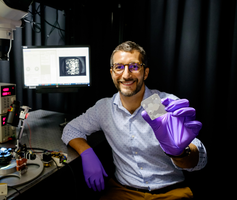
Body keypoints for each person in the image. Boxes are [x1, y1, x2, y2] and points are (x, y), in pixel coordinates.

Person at [61, 41, 207, 200]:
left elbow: (199, 161)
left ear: (145, 73)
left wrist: (180, 153)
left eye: (134, 66)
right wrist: (87, 152)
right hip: (123, 191)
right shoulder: (105, 108)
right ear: (111, 73)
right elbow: (71, 129)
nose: (126, 75)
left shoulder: (159, 104)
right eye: (119, 67)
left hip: (170, 192)